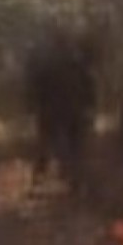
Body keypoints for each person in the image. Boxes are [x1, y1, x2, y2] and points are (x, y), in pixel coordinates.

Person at [25, 28, 96, 196]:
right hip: (69, 110)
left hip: (56, 110)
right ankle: (71, 181)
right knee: (72, 147)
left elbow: (37, 88)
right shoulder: (76, 61)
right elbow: (89, 86)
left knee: (48, 147)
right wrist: (90, 107)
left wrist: (36, 105)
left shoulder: (51, 63)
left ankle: (43, 181)